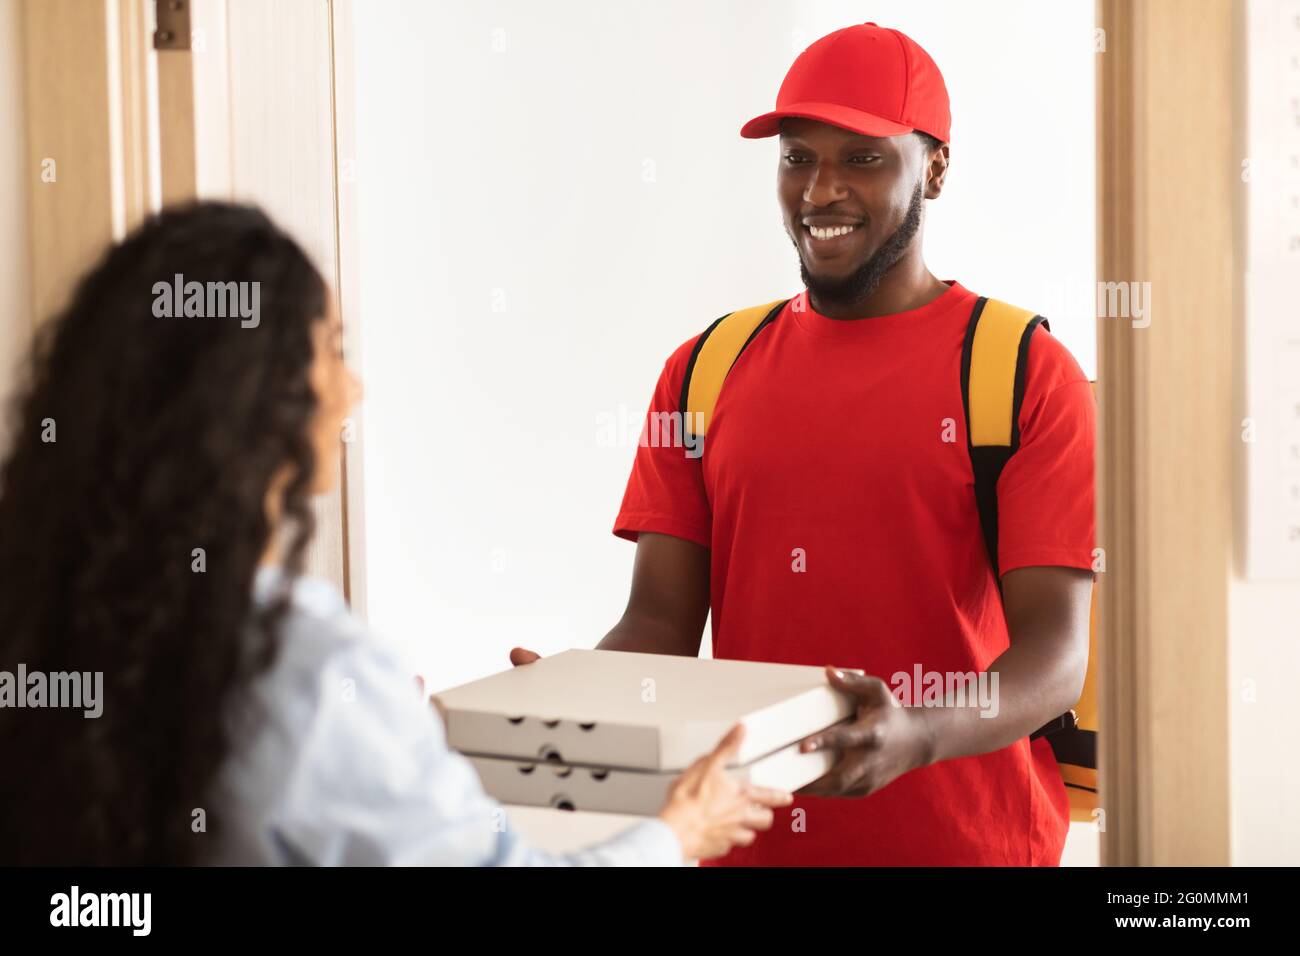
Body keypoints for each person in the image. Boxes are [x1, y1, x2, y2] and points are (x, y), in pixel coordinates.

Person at [0, 201, 790, 866]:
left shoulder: (57, 610)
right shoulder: (303, 667)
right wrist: (678, 832)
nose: (354, 388)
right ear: (254, 395)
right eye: (334, 350)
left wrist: (401, 740)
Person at [515, 22, 1095, 866]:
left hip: (965, 845)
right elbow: (659, 622)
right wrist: (575, 703)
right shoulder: (704, 369)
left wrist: (916, 733)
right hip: (740, 843)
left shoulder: (1019, 370)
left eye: (862, 157)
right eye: (797, 157)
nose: (821, 190)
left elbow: (1054, 658)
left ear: (933, 167)